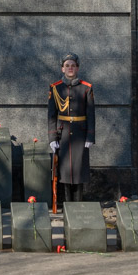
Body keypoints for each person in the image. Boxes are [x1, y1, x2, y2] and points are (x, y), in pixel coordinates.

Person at [48, 53, 95, 203]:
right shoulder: (55, 88)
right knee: (64, 172)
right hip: (63, 135)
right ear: (62, 69)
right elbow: (51, 115)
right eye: (67, 65)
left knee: (79, 170)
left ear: (77, 68)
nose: (70, 68)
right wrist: (52, 137)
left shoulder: (86, 88)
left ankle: (78, 205)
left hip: (80, 136)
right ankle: (67, 206)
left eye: (73, 65)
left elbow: (91, 114)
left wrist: (90, 137)